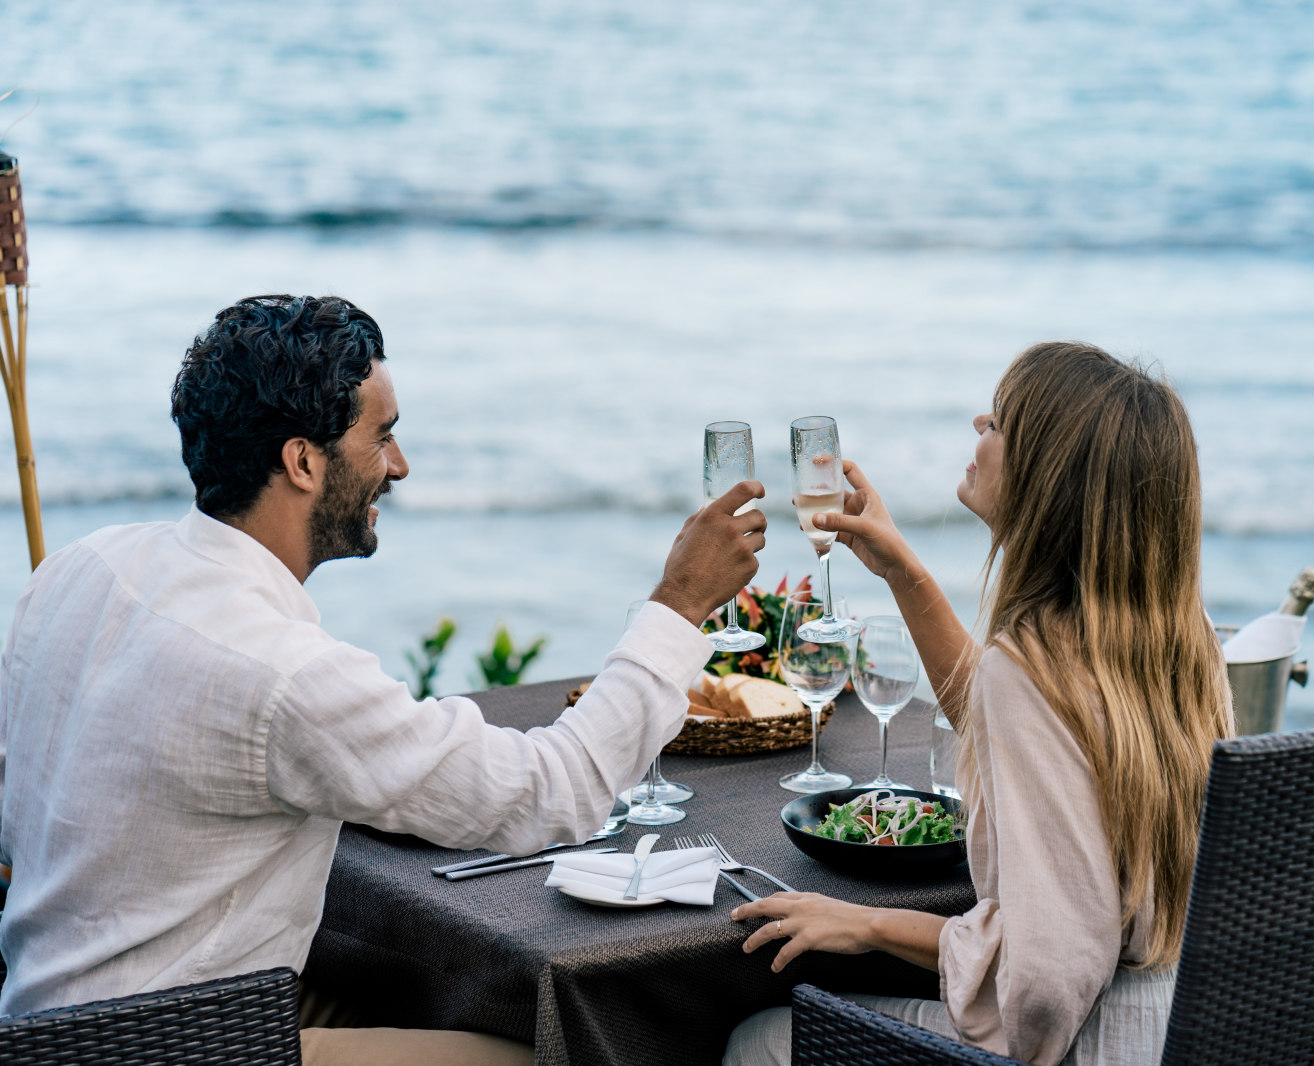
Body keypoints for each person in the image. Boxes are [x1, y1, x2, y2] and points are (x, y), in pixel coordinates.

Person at [0, 295, 765, 1065]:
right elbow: (553, 793)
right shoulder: (283, 673)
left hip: (39, 1028)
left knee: (396, 993)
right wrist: (679, 604)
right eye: (382, 436)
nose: (398, 466)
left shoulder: (79, 568)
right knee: (565, 1054)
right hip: (189, 1047)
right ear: (303, 462)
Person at [722, 342, 1232, 1066]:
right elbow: (1017, 731)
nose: (978, 423)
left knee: (758, 1042)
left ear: (1046, 477)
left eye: (1001, 421)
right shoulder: (1184, 641)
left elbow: (1045, 984)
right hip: (1185, 1026)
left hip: (1087, 1045)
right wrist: (902, 570)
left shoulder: (1027, 668)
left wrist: (870, 926)